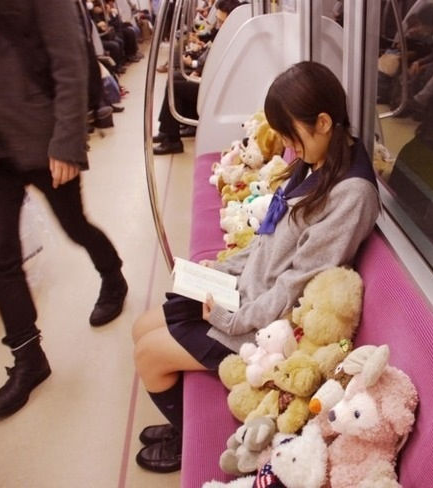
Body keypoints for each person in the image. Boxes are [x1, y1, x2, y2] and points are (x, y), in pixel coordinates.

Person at [132, 61, 380, 472]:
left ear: (322, 122)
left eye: (290, 135)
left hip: (268, 328)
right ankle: (183, 427)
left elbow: (295, 286)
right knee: (143, 327)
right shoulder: (319, 160)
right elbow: (269, 241)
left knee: (149, 355)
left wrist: (230, 319)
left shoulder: (351, 194)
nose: (286, 144)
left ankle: (185, 439)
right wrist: (219, 270)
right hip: (246, 295)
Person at [0, 0, 128, 418]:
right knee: (2, 258)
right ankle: (28, 357)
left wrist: (67, 141)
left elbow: (69, 60)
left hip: (41, 135)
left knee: (74, 225)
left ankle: (113, 276)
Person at [152, 0, 242, 155]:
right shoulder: (228, 34)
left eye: (222, 22)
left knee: (175, 85)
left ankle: (172, 140)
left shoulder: (233, 39)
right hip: (213, 82)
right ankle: (166, 131)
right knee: (176, 78)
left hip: (218, 90)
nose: (218, 26)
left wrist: (198, 69)